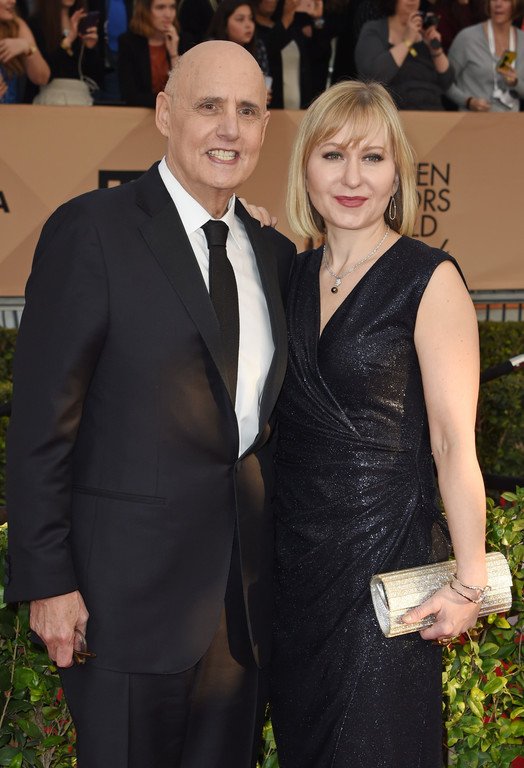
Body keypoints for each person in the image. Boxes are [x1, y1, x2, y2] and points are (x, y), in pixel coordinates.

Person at [5, 40, 295, 768]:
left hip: (240, 612)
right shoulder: (92, 231)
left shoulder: (273, 254)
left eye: (248, 111)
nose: (229, 128)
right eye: (209, 106)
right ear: (165, 113)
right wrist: (48, 581)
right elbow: (41, 424)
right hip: (120, 607)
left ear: (266, 127)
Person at [270, 80, 487, 767]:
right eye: (333, 155)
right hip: (294, 573)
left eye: (372, 157)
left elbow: (453, 444)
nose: (352, 178)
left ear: (397, 173)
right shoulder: (287, 277)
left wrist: (470, 582)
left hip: (386, 572)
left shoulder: (429, 279)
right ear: (306, 167)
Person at [355, 0, 454, 109]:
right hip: (392, 110)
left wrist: (435, 49)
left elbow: (447, 82)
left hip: (432, 110)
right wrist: (407, 41)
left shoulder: (424, 30)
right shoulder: (374, 29)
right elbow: (374, 77)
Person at [446, 0, 524, 111]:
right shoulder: (467, 38)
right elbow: (444, 82)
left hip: (511, 120)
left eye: (505, 0)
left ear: (517, 4)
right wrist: (467, 101)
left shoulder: (522, 41)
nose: (498, 4)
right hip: (472, 119)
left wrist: (516, 83)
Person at [27, 0, 101, 105]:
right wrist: (68, 41)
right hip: (48, 100)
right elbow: (44, 73)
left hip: (81, 99)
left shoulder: (82, 21)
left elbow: (94, 79)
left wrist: (90, 48)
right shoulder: (36, 23)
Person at [118, 0, 180, 108]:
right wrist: (168, 101)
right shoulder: (129, 43)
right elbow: (130, 95)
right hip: (141, 112)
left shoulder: (183, 40)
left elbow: (187, 91)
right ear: (145, 11)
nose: (168, 14)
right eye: (160, 7)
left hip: (176, 114)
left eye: (172, 7)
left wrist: (174, 54)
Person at [207, 0, 270, 80]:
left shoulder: (258, 46)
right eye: (240, 19)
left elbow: (264, 79)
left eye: (251, 19)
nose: (248, 25)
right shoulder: (210, 50)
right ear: (224, 25)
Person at [0, 0, 49, 103]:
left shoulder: (17, 25)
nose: (13, 1)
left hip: (12, 111)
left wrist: (27, 47)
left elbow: (42, 78)